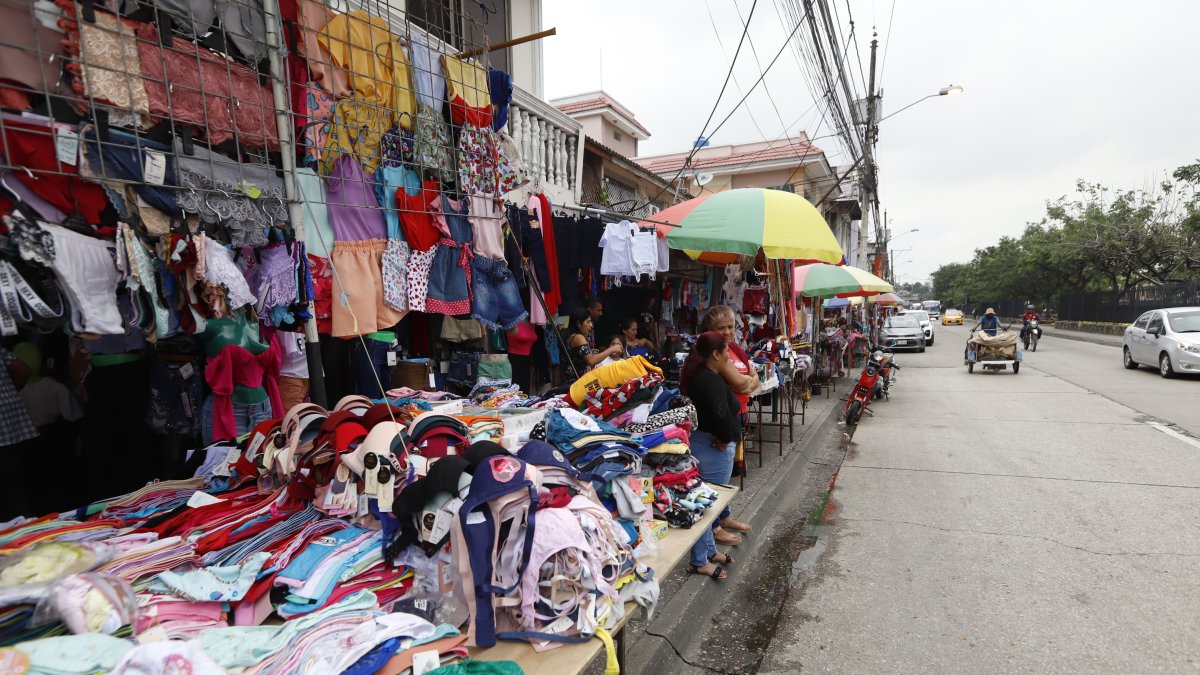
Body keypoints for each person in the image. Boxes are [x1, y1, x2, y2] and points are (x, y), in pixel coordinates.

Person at [680, 331, 742, 581]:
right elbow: (720, 416)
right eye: (726, 351)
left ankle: (708, 552)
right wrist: (725, 437)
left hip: (706, 444)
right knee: (707, 506)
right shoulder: (708, 381)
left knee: (707, 504)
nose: (729, 356)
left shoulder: (704, 377)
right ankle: (698, 561)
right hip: (712, 448)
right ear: (716, 354)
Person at [700, 306, 757, 540]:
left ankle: (723, 516)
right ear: (709, 330)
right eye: (720, 328)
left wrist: (747, 382)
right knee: (717, 479)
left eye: (730, 327)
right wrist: (747, 382)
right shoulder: (715, 353)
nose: (727, 332)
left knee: (726, 473)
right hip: (720, 420)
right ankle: (714, 528)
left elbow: (753, 378)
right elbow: (743, 384)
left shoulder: (735, 349)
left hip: (737, 415)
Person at [563, 307, 623, 384]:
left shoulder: (571, 336)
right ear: (578, 324)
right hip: (576, 384)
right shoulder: (579, 337)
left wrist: (590, 353)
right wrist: (612, 349)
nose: (591, 325)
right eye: (588, 322)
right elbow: (591, 361)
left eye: (591, 322)